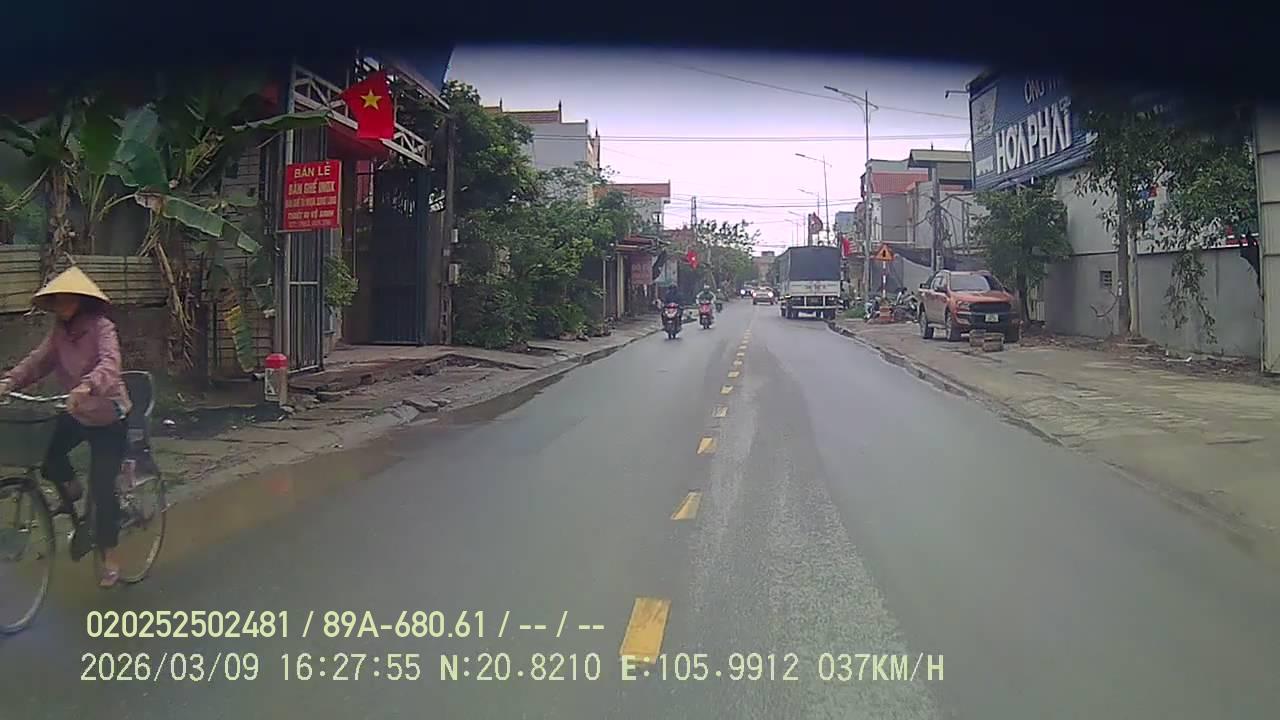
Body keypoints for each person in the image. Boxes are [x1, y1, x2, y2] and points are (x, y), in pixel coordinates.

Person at [0, 267, 132, 588]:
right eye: (58, 299)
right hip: (76, 412)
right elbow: (38, 361)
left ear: (81, 301)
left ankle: (110, 555)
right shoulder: (59, 333)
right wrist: (9, 381)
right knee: (47, 452)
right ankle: (72, 488)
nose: (61, 304)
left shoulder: (102, 328)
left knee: (102, 488)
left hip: (109, 416)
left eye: (67, 299)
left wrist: (88, 386)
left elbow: (111, 364)